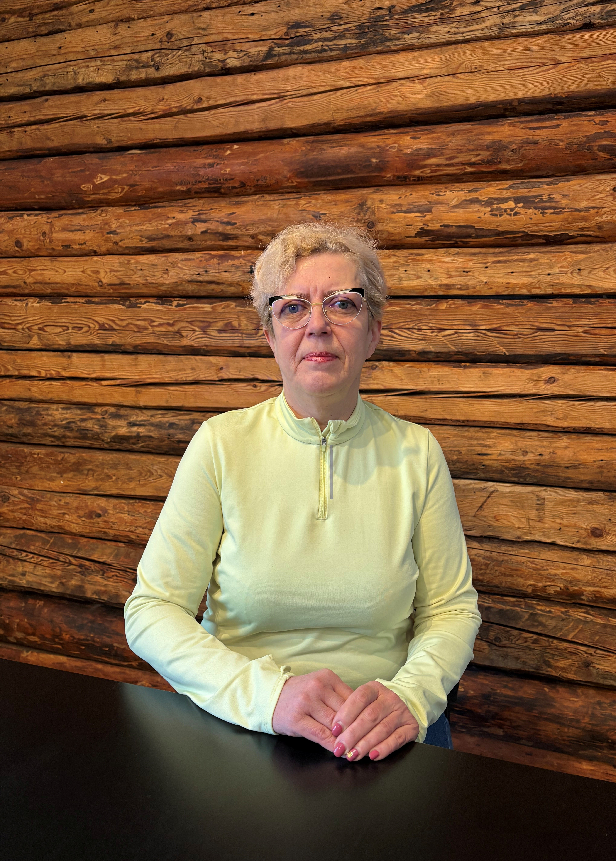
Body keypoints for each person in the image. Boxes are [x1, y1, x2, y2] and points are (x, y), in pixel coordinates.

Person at [124, 222, 481, 763]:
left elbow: (450, 610)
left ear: (373, 332)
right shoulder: (220, 445)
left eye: (342, 304)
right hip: (242, 727)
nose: (317, 325)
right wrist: (268, 696)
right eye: (292, 307)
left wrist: (411, 696)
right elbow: (152, 609)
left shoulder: (417, 452)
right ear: (270, 335)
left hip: (382, 734)